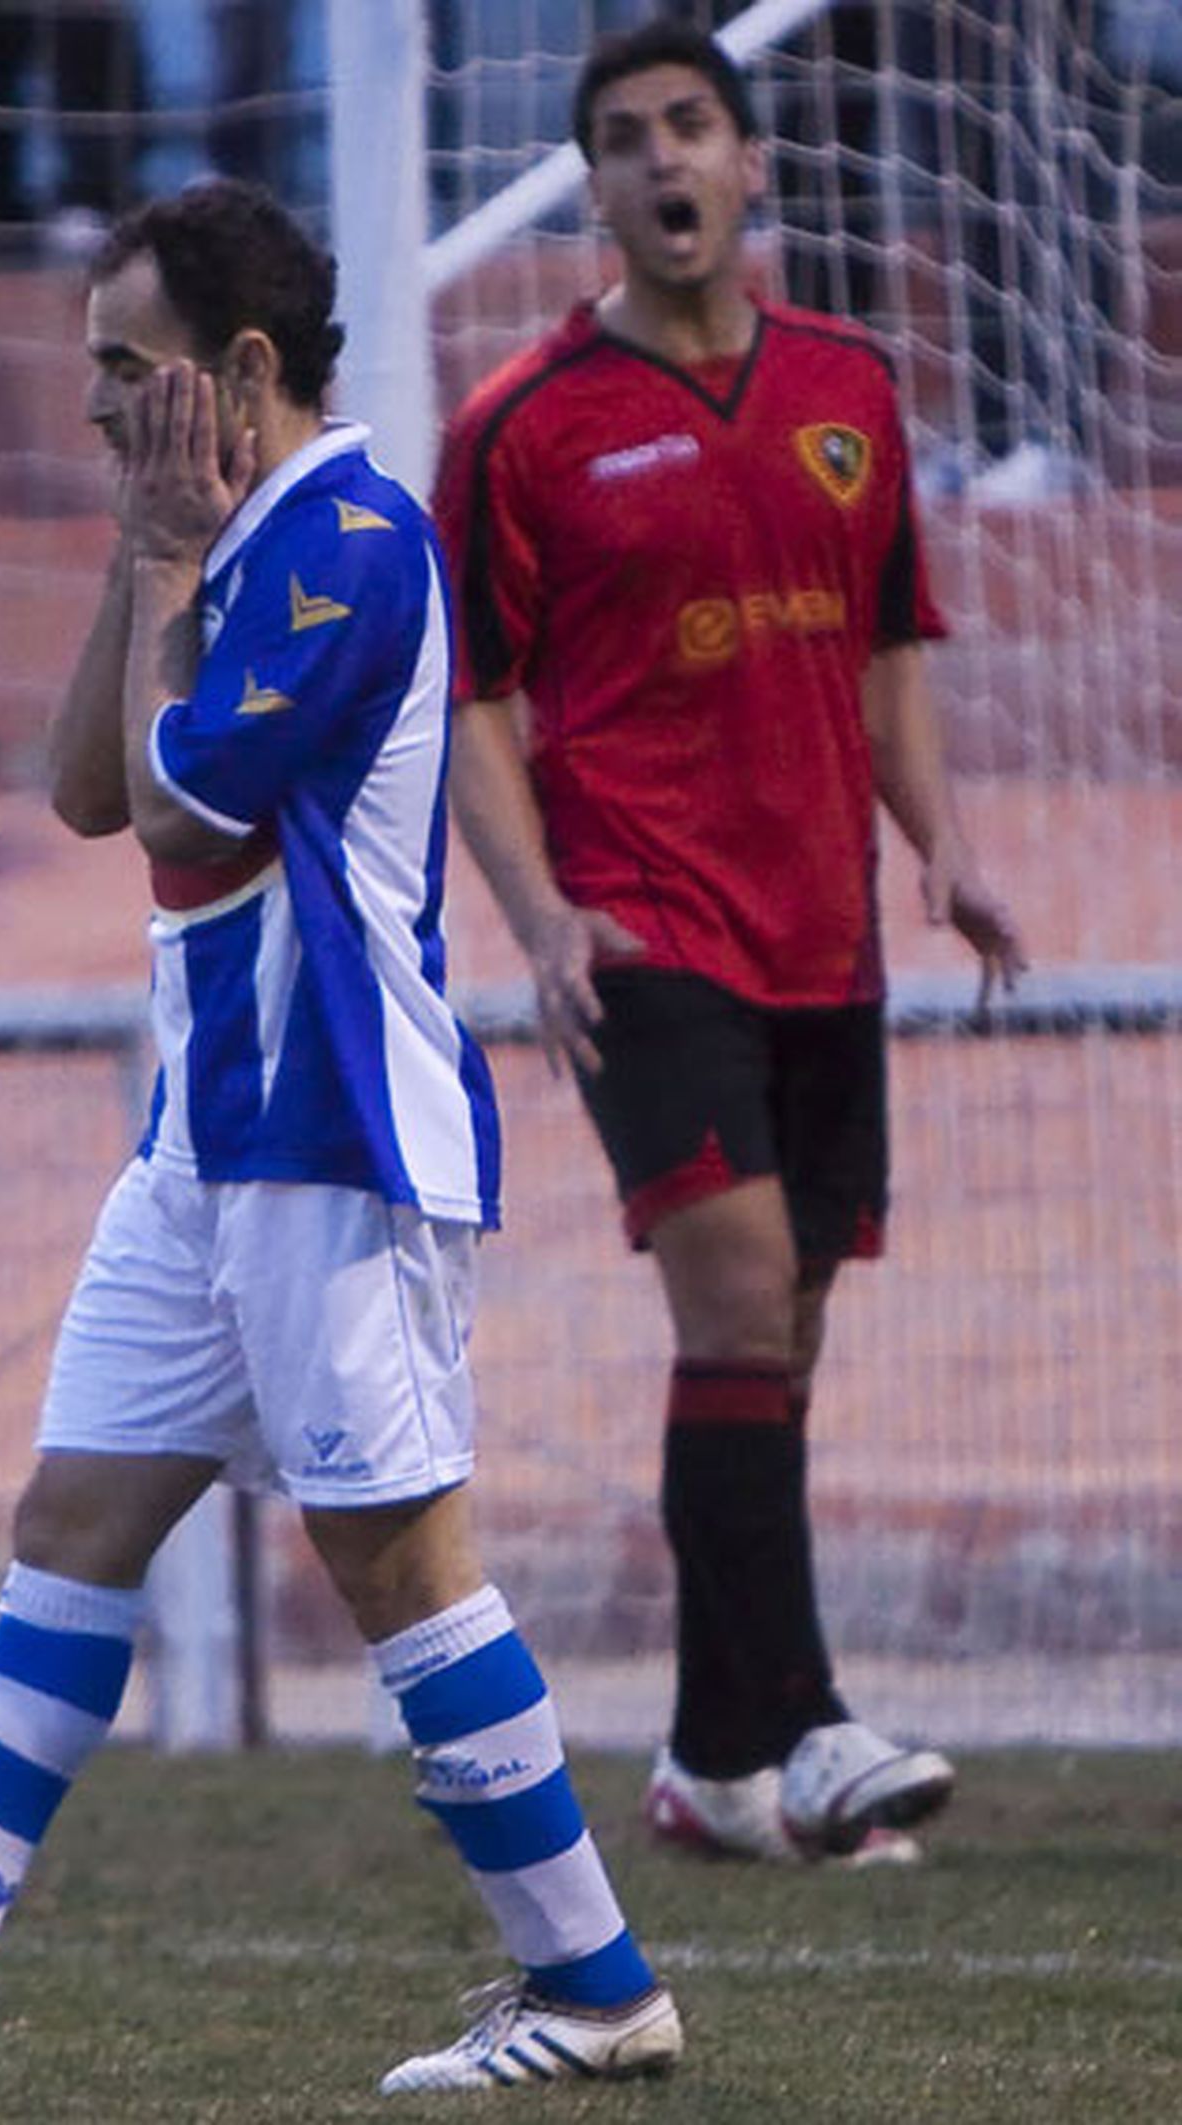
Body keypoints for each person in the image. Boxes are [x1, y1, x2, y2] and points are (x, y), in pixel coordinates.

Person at [0, 177, 683, 2098]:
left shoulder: (353, 546)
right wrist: (144, 550)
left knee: (399, 1559)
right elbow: (83, 789)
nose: (96, 413)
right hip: (203, 1138)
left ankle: (597, 1985)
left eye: (124, 376)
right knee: (74, 1518)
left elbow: (184, 820)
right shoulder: (221, 539)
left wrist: (169, 566)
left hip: (330, 1128)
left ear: (238, 369)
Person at [433, 23, 1027, 1866]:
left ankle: (708, 1764)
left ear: (753, 165)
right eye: (622, 141)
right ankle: (821, 1728)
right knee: (741, 1303)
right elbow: (473, 702)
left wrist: (945, 850)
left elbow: (892, 643)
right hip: (644, 934)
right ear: (593, 192)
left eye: (692, 125)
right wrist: (540, 919)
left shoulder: (853, 385)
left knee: (778, 1344)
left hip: (821, 934)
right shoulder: (519, 426)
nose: (661, 161)